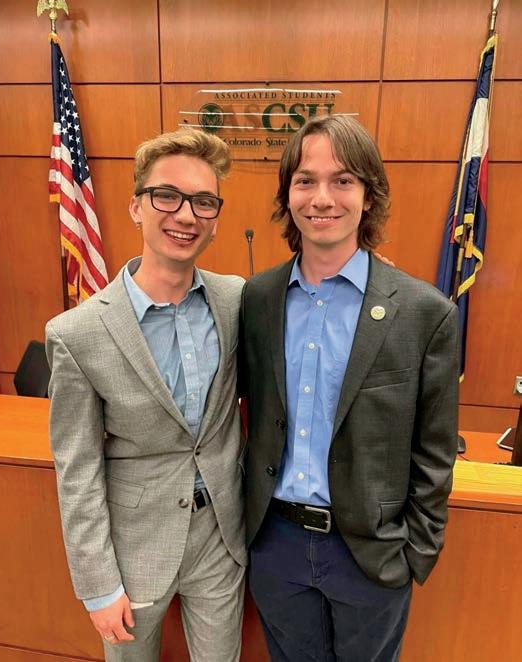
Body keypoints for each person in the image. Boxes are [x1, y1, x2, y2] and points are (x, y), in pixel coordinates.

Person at [239, 115, 459, 661]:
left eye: (342, 180)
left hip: (371, 555)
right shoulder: (256, 299)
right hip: (276, 546)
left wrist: (415, 551)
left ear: (369, 194)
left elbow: (434, 451)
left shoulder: (423, 312)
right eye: (305, 180)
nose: (322, 198)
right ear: (287, 194)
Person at [46, 128, 246, 662]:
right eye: (167, 196)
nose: (186, 215)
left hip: (221, 539)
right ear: (136, 207)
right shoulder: (77, 334)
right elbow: (77, 469)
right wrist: (98, 586)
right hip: (133, 550)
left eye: (203, 202)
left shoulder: (236, 300)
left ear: (215, 218)